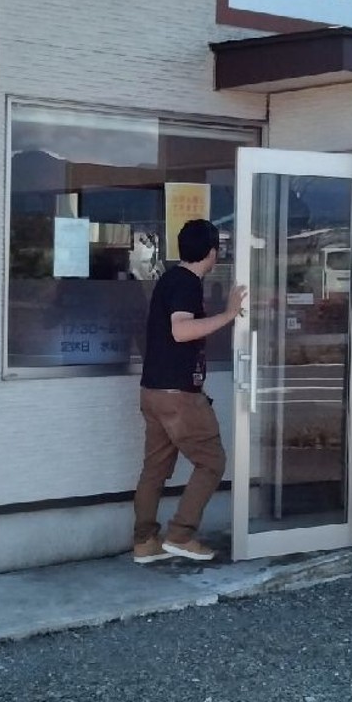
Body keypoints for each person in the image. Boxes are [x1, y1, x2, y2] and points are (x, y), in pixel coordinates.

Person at [132, 218, 247, 563]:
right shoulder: (185, 283)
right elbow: (181, 331)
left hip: (153, 391)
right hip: (178, 395)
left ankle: (145, 542)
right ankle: (181, 535)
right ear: (212, 253)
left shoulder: (170, 280)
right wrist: (229, 314)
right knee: (212, 461)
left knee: (155, 469)